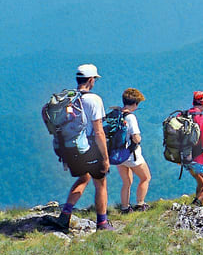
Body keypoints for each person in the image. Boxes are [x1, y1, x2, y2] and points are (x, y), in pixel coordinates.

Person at [54, 64, 113, 232]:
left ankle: (65, 215)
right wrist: (105, 157)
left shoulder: (68, 98)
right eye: (94, 79)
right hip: (89, 147)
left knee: (83, 178)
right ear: (91, 80)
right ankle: (102, 223)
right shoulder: (94, 100)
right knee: (100, 183)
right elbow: (99, 131)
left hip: (70, 148)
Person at [117, 88, 152, 213]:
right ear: (135, 103)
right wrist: (139, 139)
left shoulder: (117, 114)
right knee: (145, 177)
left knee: (127, 182)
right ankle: (140, 204)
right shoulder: (131, 117)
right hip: (131, 155)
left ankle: (125, 207)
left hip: (118, 154)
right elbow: (136, 137)